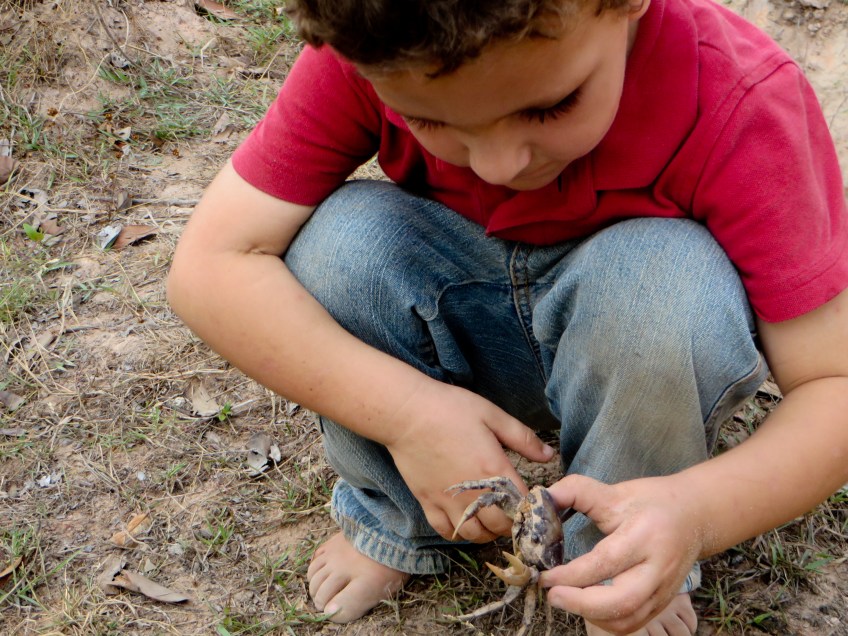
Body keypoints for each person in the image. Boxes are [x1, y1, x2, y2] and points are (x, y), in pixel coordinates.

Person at [166, 0, 848, 633]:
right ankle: (402, 520)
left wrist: (698, 513)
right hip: (464, 321)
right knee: (337, 244)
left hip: (630, 333)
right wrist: (407, 414)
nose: (498, 165)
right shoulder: (375, 38)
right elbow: (209, 267)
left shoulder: (743, 100)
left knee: (668, 282)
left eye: (550, 107)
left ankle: (625, 557)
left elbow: (833, 385)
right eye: (430, 120)